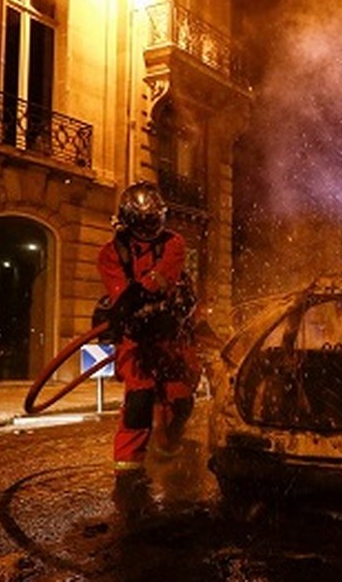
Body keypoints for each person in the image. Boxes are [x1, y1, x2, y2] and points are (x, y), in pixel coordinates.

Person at [98, 181, 205, 517]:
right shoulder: (112, 252)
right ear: (128, 222)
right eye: (142, 224)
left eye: (153, 222)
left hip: (171, 334)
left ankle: (170, 445)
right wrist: (125, 308)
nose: (148, 230)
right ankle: (128, 477)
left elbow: (164, 278)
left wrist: (140, 296)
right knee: (138, 403)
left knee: (181, 399)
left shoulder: (173, 243)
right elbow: (118, 291)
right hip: (137, 339)